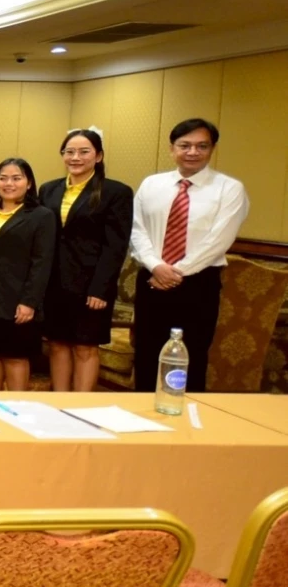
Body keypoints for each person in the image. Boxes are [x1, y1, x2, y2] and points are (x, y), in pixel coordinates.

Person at [129, 118, 250, 394]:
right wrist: (156, 266)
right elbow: (136, 229)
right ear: (172, 148)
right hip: (151, 279)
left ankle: (187, 416)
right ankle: (143, 413)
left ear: (212, 149)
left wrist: (175, 272)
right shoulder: (151, 184)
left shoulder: (229, 189)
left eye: (201, 146)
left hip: (198, 283)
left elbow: (218, 240)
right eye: (185, 145)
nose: (192, 152)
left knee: (191, 355)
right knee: (146, 353)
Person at [41, 128, 134, 391]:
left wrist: (100, 288)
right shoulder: (49, 189)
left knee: (85, 346)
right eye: (69, 152)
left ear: (98, 156)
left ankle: (81, 404)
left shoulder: (116, 192)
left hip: (91, 285)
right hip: (54, 282)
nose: (75, 157)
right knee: (57, 344)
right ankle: (59, 401)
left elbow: (115, 246)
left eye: (84, 152)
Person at [0, 158, 55, 392]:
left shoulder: (41, 216)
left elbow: (42, 262)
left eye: (16, 178)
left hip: (18, 301)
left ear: (29, 183)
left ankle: (17, 408)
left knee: (15, 357)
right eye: (3, 178)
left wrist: (29, 301)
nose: (9, 183)